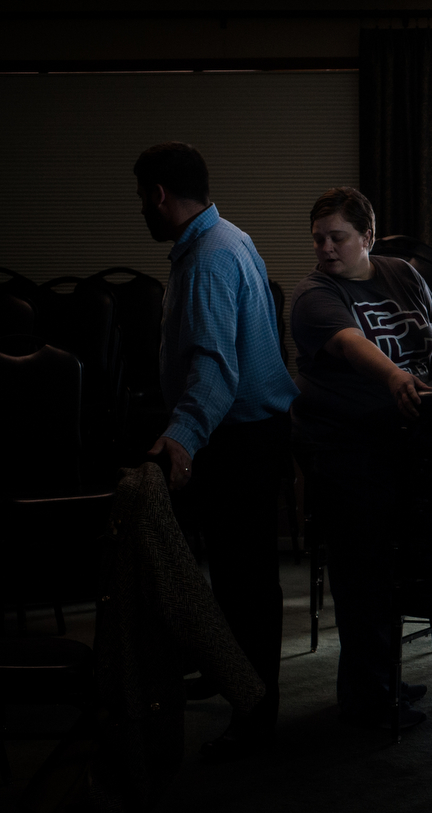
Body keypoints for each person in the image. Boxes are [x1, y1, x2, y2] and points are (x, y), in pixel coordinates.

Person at [135, 142, 298, 763]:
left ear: (157, 195)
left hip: (237, 440)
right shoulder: (229, 236)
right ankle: (239, 682)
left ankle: (254, 716)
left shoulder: (207, 258)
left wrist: (177, 441)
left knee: (244, 584)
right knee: (241, 579)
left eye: (140, 200)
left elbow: (214, 371)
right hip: (250, 435)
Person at [289, 187, 432, 730]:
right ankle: (367, 700)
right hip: (347, 449)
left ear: (368, 237)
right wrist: (397, 379)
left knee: (391, 572)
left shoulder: (402, 274)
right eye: (319, 239)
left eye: (338, 238)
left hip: (405, 446)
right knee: (362, 575)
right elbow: (353, 347)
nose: (327, 249)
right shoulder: (314, 295)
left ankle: (382, 680)